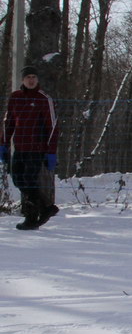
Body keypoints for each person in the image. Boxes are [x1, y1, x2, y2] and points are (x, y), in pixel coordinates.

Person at [2, 66, 59, 230]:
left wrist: (51, 152)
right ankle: (46, 207)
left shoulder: (44, 99)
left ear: (37, 79)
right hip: (19, 147)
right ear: (23, 80)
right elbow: (9, 123)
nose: (31, 80)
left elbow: (53, 127)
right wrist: (3, 145)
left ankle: (31, 216)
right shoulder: (15, 97)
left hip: (37, 148)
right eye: (28, 77)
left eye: (34, 77)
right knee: (18, 179)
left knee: (29, 179)